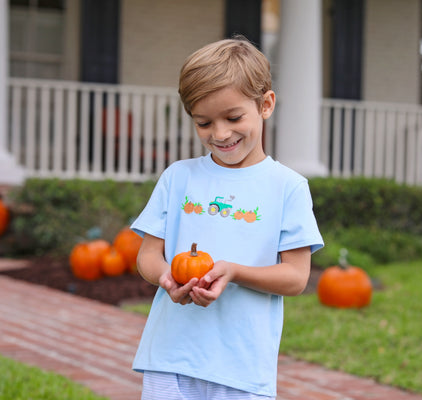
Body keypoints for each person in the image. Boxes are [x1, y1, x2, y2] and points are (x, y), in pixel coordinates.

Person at [130, 36, 324, 400]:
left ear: (265, 105)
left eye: (233, 117)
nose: (220, 134)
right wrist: (167, 279)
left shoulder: (288, 187)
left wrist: (234, 271)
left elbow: (296, 277)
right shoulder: (178, 178)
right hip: (170, 357)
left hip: (241, 368)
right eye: (203, 123)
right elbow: (147, 256)